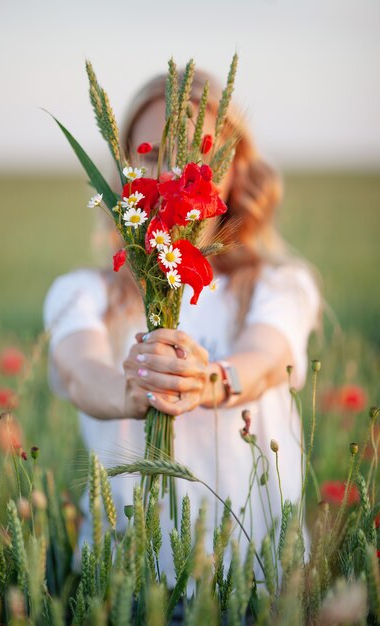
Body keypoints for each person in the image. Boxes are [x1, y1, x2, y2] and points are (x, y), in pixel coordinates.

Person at [43, 70, 321, 581]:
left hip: (254, 581)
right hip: (122, 581)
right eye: (150, 154)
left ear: (234, 171)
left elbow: (265, 360)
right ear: (126, 170)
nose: (172, 171)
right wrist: (130, 389)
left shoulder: (278, 287)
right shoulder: (84, 293)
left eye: (196, 153)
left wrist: (210, 379)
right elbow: (83, 373)